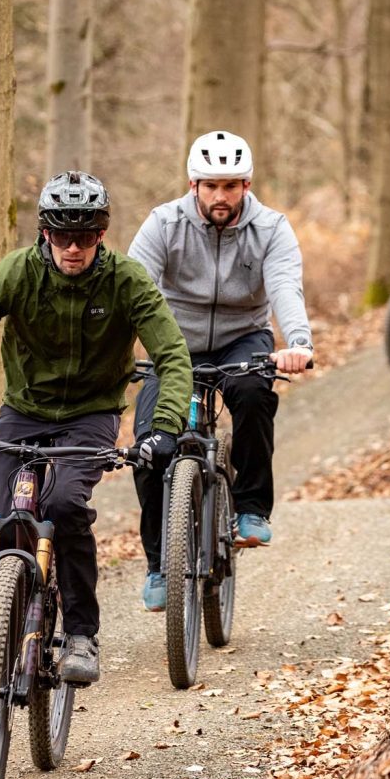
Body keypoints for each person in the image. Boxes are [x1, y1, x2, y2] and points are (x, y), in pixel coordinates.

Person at [0, 171, 192, 686]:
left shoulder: (126, 280)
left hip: (90, 414)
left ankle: (79, 633)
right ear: (44, 233)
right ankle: (5, 612)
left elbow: (172, 353)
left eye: (87, 236)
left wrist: (163, 427)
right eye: (62, 235)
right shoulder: (18, 274)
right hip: (23, 412)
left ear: (102, 234)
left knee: (64, 506)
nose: (74, 248)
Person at [128, 130, 314, 612]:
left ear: (247, 185)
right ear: (193, 185)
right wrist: (111, 352)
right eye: (211, 185)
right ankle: (157, 565)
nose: (221, 196)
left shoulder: (271, 227)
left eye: (231, 186)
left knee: (253, 393)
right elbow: (131, 290)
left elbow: (285, 289)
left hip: (241, 338)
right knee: (149, 444)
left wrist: (297, 343)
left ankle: (251, 508)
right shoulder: (163, 224)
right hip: (174, 343)